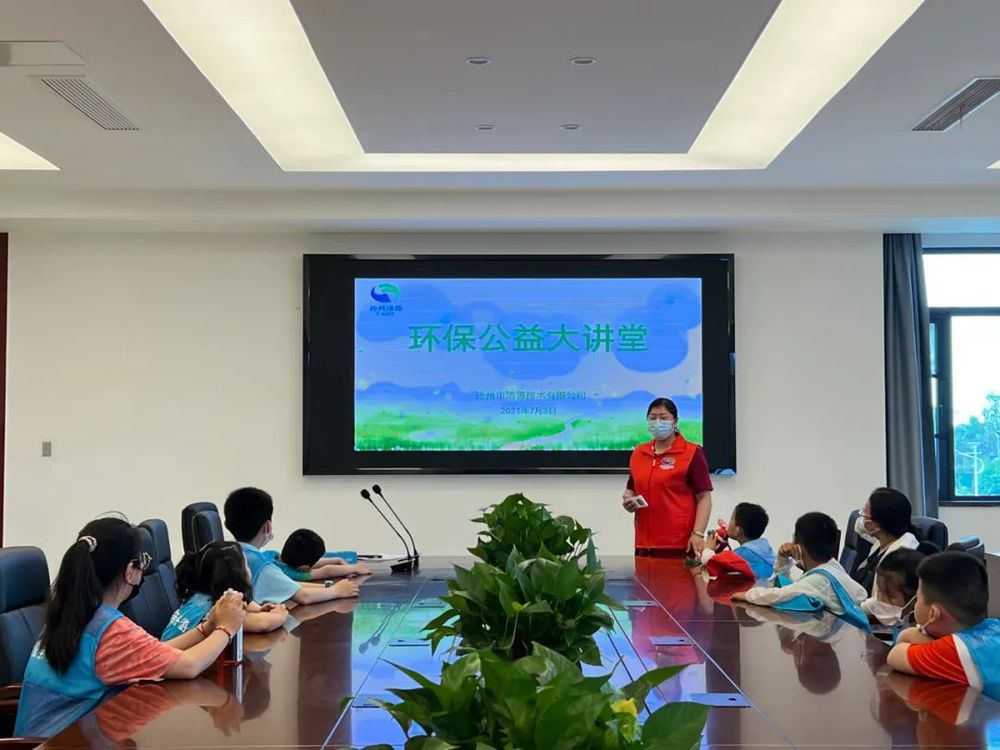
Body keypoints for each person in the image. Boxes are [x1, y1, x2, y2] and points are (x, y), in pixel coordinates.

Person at [14, 517, 247, 738]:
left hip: (50, 740)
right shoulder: (110, 630)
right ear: (129, 571)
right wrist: (226, 628)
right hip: (65, 742)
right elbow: (189, 666)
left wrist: (206, 629)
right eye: (142, 563)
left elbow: (158, 652)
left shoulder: (71, 613)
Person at [887, 551, 1000, 700]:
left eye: (918, 598)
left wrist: (911, 634)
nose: (915, 603)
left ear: (933, 614)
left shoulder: (955, 650)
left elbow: (895, 655)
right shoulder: (994, 625)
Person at [731, 512, 869, 631]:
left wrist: (746, 595)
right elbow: (783, 586)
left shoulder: (818, 580)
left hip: (850, 636)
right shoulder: (831, 567)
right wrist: (783, 561)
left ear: (797, 548)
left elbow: (778, 595)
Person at [223, 487, 360, 605]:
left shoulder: (224, 553)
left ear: (227, 525)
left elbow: (288, 585)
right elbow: (303, 597)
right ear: (267, 527)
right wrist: (337, 591)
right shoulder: (263, 566)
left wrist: (327, 586)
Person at [622, 397, 713, 557]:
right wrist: (628, 499)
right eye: (653, 418)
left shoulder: (691, 453)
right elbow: (631, 488)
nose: (657, 422)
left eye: (663, 418)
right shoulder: (639, 453)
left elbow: (704, 497)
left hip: (679, 544)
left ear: (675, 421)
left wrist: (698, 534)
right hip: (644, 544)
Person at [161, 541, 290, 641]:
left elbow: (249, 609)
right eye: (246, 565)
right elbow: (263, 624)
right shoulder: (218, 610)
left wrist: (260, 609)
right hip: (173, 664)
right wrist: (281, 614)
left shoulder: (200, 597)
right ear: (237, 577)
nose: (249, 570)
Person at [851, 488, 921, 597]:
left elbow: (882, 601)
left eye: (864, 514)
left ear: (876, 526)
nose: (861, 518)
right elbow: (860, 528)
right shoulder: (882, 540)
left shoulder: (900, 556)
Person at [701, 502, 776, 579]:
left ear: (738, 530)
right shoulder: (765, 550)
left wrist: (707, 549)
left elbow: (714, 565)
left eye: (731, 519)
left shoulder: (742, 553)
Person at [865, 547, 928, 627]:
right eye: (879, 591)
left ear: (915, 600)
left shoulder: (929, 631)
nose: (880, 600)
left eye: (890, 596)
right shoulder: (870, 606)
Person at [278, 529, 370, 581]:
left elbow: (316, 565)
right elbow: (326, 571)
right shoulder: (294, 575)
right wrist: (354, 568)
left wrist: (337, 560)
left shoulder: (274, 556)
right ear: (303, 568)